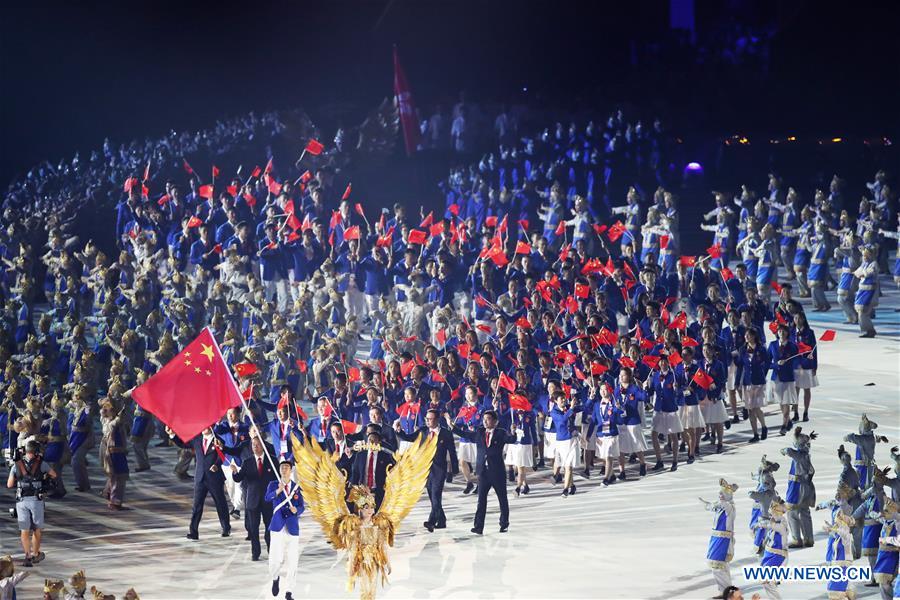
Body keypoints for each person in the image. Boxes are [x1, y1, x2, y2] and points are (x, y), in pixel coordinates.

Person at [447, 409, 510, 534]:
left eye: (488, 419)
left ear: (495, 421)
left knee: (502, 499)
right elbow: (465, 434)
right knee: (481, 500)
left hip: (497, 472)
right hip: (483, 472)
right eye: (484, 419)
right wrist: (452, 426)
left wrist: (515, 432)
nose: (485, 422)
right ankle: (478, 526)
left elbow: (511, 439)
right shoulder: (480, 432)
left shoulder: (501, 433)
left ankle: (504, 523)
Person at [395, 408, 458, 531]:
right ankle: (442, 520)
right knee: (432, 495)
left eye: (431, 419)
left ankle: (431, 521)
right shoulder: (423, 431)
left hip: (439, 468)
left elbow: (452, 452)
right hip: (425, 468)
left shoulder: (446, 433)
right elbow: (409, 438)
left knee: (435, 495)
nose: (428, 421)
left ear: (437, 419)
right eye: (427, 419)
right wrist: (399, 431)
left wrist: (454, 469)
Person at [168, 426, 234, 540]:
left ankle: (226, 528)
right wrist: (172, 435)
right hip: (200, 478)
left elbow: (222, 456)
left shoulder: (218, 440)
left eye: (207, 426)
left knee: (220, 503)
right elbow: (183, 444)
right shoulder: (197, 439)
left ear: (212, 426)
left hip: (214, 478)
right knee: (197, 506)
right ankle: (193, 532)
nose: (204, 428)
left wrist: (217, 465)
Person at [6, 439, 57, 567]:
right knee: (37, 529)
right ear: (36, 452)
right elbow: (54, 475)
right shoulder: (42, 464)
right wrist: (44, 478)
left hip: (21, 501)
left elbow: (9, 484)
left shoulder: (16, 465)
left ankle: (27, 556)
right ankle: (35, 553)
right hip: (36, 500)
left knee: (24, 530)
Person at [231, 433, 278, 561]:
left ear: (263, 446)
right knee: (253, 529)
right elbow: (238, 478)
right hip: (252, 501)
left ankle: (271, 551)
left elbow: (278, 479)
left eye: (257, 445)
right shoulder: (247, 462)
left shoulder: (272, 460)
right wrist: (234, 471)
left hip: (268, 501)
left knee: (269, 528)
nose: (255, 447)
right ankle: (255, 553)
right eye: (253, 445)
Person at [266, 460, 304, 600]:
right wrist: (278, 491)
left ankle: (289, 591)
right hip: (277, 526)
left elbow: (301, 506)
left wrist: (297, 510)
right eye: (282, 467)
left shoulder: (296, 487)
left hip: (292, 528)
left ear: (291, 470)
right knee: (275, 560)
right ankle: (275, 578)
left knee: (292, 561)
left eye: (286, 467)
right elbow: (267, 498)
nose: (284, 469)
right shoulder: (273, 484)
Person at [700, 478, 739, 592]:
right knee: (722, 566)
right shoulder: (721, 505)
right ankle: (726, 590)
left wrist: (729, 489)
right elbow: (712, 506)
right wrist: (704, 503)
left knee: (717, 566)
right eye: (720, 492)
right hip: (717, 539)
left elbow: (723, 504)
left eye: (723, 493)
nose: (720, 494)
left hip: (723, 540)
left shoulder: (729, 507)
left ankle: (726, 591)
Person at [349, 430, 396, 510]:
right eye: (369, 440)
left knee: (377, 514)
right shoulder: (360, 455)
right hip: (363, 491)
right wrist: (353, 485)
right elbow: (355, 472)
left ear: (379, 442)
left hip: (378, 491)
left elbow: (391, 472)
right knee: (363, 514)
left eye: (374, 440)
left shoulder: (385, 456)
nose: (371, 442)